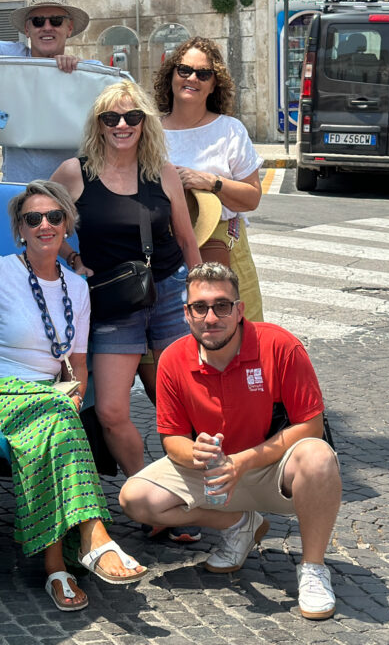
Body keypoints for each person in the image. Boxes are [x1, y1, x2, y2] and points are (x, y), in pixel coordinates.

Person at [0, 180, 147, 611]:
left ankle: (57, 572)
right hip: (3, 392)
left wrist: (75, 394)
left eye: (54, 217)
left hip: (50, 401)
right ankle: (94, 535)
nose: (44, 224)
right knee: (58, 420)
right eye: (33, 219)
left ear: (67, 226)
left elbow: (79, 364)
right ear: (20, 230)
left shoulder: (77, 289)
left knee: (58, 432)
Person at [119, 262, 340, 621]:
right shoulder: (173, 359)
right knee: (135, 498)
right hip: (213, 474)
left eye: (222, 305)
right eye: (200, 307)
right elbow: (171, 437)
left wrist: (243, 461)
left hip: (273, 470)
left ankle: (313, 568)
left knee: (319, 458)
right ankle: (240, 525)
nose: (211, 317)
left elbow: (311, 426)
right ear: (186, 313)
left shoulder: (280, 345)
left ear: (239, 310)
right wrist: (195, 452)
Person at [51, 81, 200, 479]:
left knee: (183, 401)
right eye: (111, 117)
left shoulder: (163, 173)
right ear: (98, 124)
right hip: (113, 301)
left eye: (132, 117)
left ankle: (188, 488)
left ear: (144, 123)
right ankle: (146, 493)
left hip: (168, 292)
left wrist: (201, 292)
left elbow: (186, 239)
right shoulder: (74, 172)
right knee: (111, 410)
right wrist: (74, 257)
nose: (122, 124)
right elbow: (44, 225)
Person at [154, 37, 264, 322]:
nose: (192, 78)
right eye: (184, 70)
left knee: (236, 334)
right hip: (164, 247)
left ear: (215, 84)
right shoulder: (149, 131)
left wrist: (211, 181)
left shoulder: (229, 130)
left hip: (221, 245)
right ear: (171, 75)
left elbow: (252, 197)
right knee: (171, 339)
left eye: (203, 74)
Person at [0, 0, 90, 183]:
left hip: (69, 190)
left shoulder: (86, 72)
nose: (47, 27)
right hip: (17, 188)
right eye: (38, 21)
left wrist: (77, 72)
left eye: (56, 21)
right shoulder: (11, 54)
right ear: (27, 29)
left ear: (69, 28)